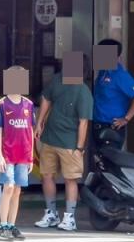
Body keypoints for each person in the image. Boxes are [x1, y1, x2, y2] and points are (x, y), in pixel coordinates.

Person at [35, 59, 93, 232]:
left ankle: (69, 217)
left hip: (69, 142)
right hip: (51, 137)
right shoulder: (58, 80)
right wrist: (39, 123)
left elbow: (84, 123)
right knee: (47, 175)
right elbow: (46, 98)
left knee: (69, 179)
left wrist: (80, 148)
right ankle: (52, 213)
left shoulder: (83, 91)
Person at [0, 77, 36, 241]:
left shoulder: (29, 104)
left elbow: (31, 131)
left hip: (23, 155)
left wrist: (31, 156)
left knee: (17, 190)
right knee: (8, 187)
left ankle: (11, 225)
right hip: (8, 154)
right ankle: (2, 226)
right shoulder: (2, 104)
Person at [93, 39, 134, 151]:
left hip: (111, 129)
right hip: (97, 126)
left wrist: (126, 119)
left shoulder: (120, 75)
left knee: (109, 164)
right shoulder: (103, 72)